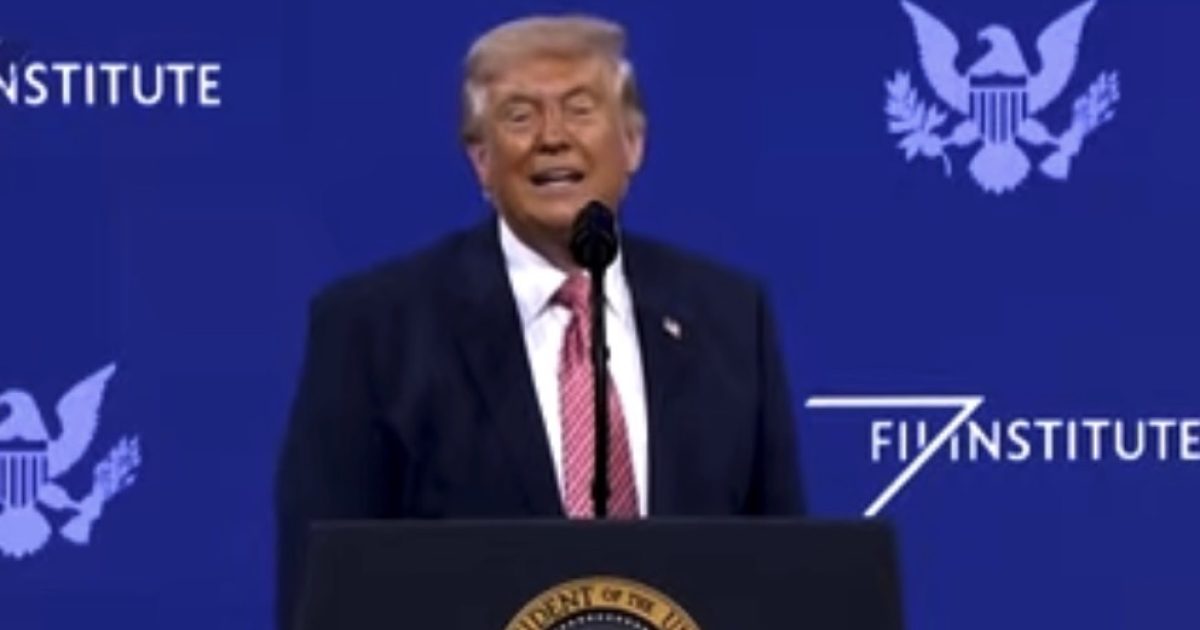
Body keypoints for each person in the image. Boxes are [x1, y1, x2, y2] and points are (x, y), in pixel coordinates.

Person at [274, 14, 803, 628]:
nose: (553, 137)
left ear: (633, 143)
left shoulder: (730, 316)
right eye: (519, 116)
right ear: (481, 160)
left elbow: (782, 570)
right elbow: (324, 587)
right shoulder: (375, 328)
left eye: (581, 109)